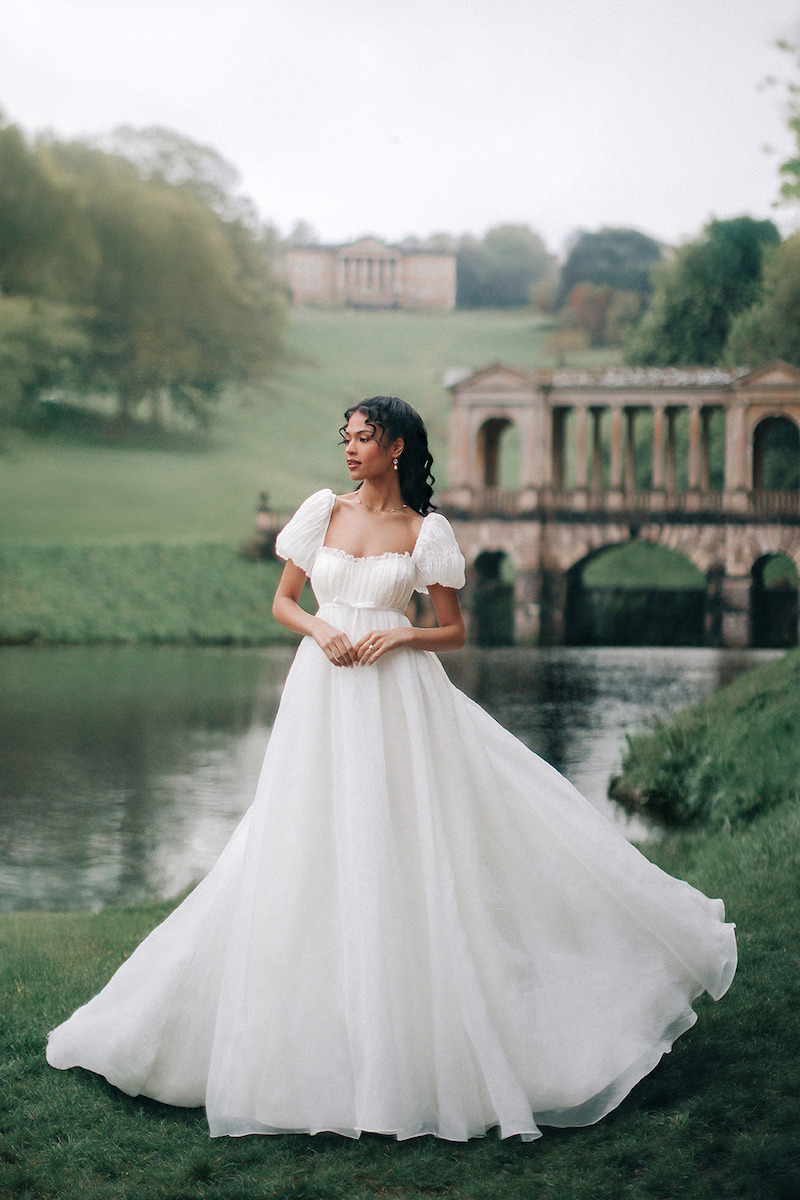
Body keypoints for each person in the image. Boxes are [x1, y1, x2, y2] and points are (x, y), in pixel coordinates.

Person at [46, 395, 737, 1143]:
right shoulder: (323, 512)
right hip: (321, 694)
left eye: (364, 438)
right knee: (302, 842)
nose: (350, 448)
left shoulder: (425, 531)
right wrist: (322, 630)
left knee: (404, 849)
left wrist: (399, 638)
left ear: (398, 447)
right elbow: (283, 602)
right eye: (344, 436)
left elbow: (454, 630)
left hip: (400, 701)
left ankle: (426, 1031)